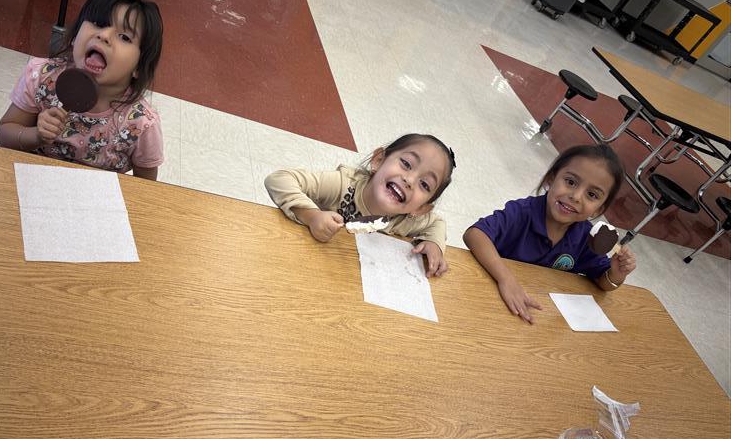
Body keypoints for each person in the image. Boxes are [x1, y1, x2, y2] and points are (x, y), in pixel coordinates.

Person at [0, 0, 164, 180]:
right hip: (31, 180)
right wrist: (36, 136)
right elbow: (4, 133)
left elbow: (147, 188)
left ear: (139, 66)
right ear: (75, 36)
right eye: (99, 23)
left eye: (124, 37)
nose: (104, 35)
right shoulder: (43, 77)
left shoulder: (141, 124)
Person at [464, 144, 636, 323]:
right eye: (570, 182)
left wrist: (617, 273)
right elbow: (475, 234)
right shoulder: (522, 212)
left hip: (538, 316)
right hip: (492, 300)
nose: (576, 196)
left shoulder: (587, 237)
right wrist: (506, 279)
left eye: (592, 194)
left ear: (598, 209)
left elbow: (603, 282)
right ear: (551, 179)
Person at [264, 133, 456, 277]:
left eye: (424, 184)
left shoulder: (405, 220)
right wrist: (312, 216)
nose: (410, 180)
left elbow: (436, 223)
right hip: (304, 264)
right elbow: (279, 179)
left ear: (420, 209)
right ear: (379, 160)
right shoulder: (343, 185)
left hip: (347, 280)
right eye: (406, 164)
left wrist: (435, 245)